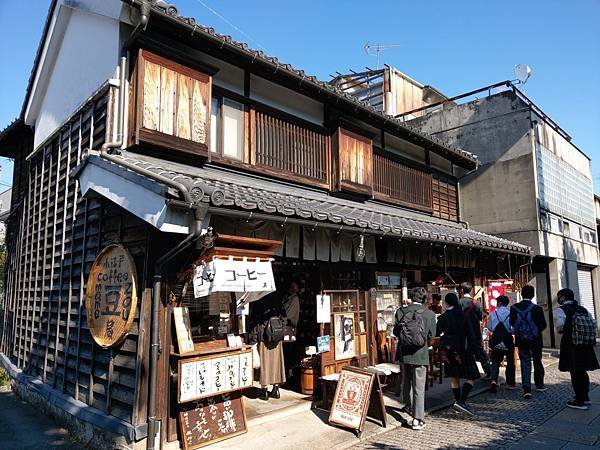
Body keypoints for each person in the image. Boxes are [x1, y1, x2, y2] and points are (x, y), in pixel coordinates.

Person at [394, 287, 437, 430]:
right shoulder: (429, 314)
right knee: (419, 387)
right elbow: (432, 335)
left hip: (404, 352)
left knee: (406, 380)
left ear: (411, 297)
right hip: (420, 353)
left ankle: (407, 404)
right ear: (424, 299)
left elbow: (395, 332)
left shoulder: (401, 311)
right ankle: (417, 419)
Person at [436, 292, 480, 416]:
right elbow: (471, 335)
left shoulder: (442, 317)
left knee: (454, 376)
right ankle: (461, 401)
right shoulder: (463, 315)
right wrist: (477, 351)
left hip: (449, 350)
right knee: (472, 376)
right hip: (463, 349)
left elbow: (437, 331)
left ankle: (457, 401)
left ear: (446, 303)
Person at [556, 288, 599, 410]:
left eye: (559, 296)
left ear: (563, 297)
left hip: (571, 343)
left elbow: (559, 327)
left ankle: (579, 401)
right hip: (585, 344)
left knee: (574, 372)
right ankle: (585, 397)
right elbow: (593, 323)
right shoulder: (583, 309)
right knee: (583, 371)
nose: (559, 299)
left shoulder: (561, 310)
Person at [509, 284, 547, 398]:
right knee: (537, 360)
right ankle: (539, 385)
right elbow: (543, 325)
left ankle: (527, 389)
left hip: (521, 339)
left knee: (525, 362)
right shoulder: (537, 308)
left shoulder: (514, 308)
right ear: (533, 294)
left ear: (521, 294)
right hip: (535, 339)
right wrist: (534, 331)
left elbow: (511, 322)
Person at [249, 293, 286, 401]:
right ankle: (276, 389)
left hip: (264, 338)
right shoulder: (278, 301)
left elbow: (256, 323)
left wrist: (253, 340)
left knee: (265, 364)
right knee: (277, 363)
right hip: (277, 337)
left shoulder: (259, 301)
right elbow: (284, 318)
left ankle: (264, 391)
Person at [458, 282, 491, 378]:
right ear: (471, 290)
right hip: (475, 331)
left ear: (462, 290)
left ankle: (467, 373)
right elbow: (481, 317)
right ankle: (488, 371)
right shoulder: (476, 303)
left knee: (464, 352)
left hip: (462, 332)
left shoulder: (459, 303)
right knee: (480, 352)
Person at [487, 295, 516, 392]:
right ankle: (510, 383)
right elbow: (513, 329)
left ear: (499, 303)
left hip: (496, 339)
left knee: (495, 361)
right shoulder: (510, 313)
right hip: (507, 339)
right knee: (510, 361)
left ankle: (494, 380)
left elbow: (490, 327)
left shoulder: (493, 313)